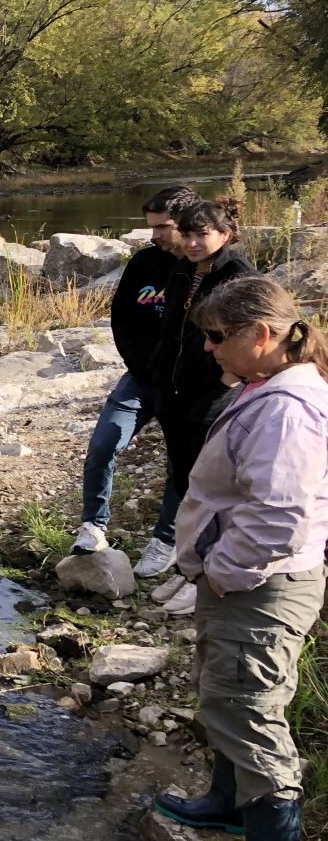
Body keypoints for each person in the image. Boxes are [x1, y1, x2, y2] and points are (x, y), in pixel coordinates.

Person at [153, 277, 328, 841]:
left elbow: (279, 517)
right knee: (224, 691)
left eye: (217, 336)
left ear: (262, 335)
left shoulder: (287, 408)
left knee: (250, 707)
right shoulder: (266, 387)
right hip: (246, 581)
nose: (206, 347)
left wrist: (220, 569)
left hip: (262, 585)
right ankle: (227, 801)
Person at [71, 185, 197, 574]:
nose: (154, 235)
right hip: (141, 378)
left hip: (187, 386)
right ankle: (94, 524)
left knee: (181, 465)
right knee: (105, 442)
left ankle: (165, 540)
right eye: (151, 227)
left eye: (163, 227)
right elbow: (121, 315)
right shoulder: (144, 262)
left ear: (188, 224)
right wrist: (138, 362)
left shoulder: (203, 268)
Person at [148, 198, 256, 616]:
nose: (193, 242)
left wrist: (228, 379)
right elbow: (170, 328)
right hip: (174, 389)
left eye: (202, 234)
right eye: (188, 234)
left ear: (224, 235)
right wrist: (159, 374)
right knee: (184, 480)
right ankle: (188, 566)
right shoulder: (182, 270)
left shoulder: (238, 274)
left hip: (212, 392)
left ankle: (207, 573)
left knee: (212, 485)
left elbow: (250, 330)